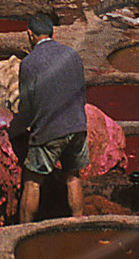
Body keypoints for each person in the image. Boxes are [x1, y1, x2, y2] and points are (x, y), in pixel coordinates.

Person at [15, 12, 87, 224]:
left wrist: (18, 128)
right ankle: (78, 223)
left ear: (30, 35)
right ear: (53, 33)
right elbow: (81, 92)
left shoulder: (29, 63)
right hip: (77, 125)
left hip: (50, 131)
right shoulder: (71, 54)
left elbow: (27, 108)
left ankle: (23, 232)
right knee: (73, 177)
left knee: (32, 181)